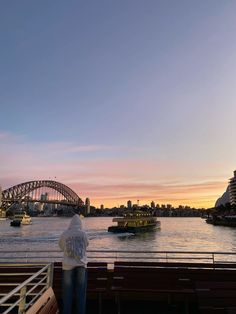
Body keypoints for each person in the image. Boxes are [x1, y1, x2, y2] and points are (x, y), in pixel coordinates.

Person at [59, 214, 89, 314]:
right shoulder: (83, 234)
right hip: (81, 265)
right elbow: (86, 245)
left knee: (67, 293)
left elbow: (61, 246)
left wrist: (68, 251)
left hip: (67, 266)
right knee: (81, 293)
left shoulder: (65, 233)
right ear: (80, 223)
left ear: (71, 223)